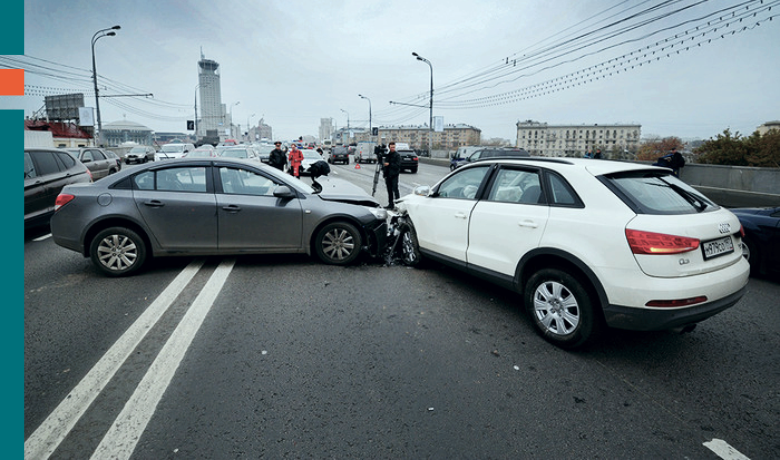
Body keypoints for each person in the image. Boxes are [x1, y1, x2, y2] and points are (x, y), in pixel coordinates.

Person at [383, 141, 401, 209]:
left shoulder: (397, 155)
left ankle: (398, 205)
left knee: (395, 189)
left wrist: (389, 164)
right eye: (391, 147)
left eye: (394, 147)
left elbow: (398, 165)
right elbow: (385, 165)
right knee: (389, 190)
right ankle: (390, 204)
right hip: (388, 175)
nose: (393, 148)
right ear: (389, 147)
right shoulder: (388, 155)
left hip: (394, 175)